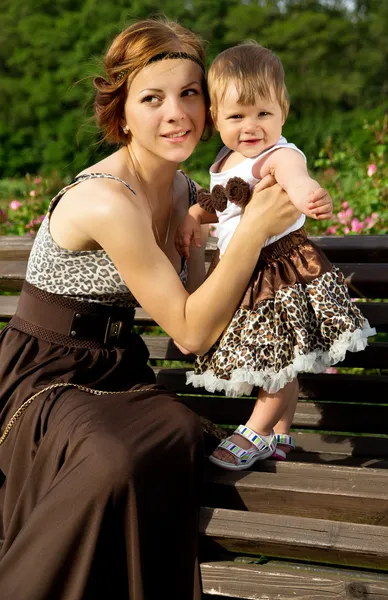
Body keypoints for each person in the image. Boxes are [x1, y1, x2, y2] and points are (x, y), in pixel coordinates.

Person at [0, 20, 300, 600]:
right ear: (123, 112)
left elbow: (217, 297)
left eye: (190, 93)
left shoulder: (189, 191)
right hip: (45, 377)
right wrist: (251, 231)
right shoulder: (107, 200)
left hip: (119, 370)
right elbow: (190, 332)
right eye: (152, 98)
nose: (177, 114)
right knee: (112, 460)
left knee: (181, 433)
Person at [176, 42, 375, 471]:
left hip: (281, 270)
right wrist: (196, 213)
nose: (252, 127)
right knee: (281, 352)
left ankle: (257, 429)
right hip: (249, 270)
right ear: (215, 119)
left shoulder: (278, 155)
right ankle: (281, 431)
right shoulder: (227, 160)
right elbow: (222, 203)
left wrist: (307, 195)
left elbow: (294, 174)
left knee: (279, 358)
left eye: (263, 114)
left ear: (282, 111)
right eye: (236, 116)